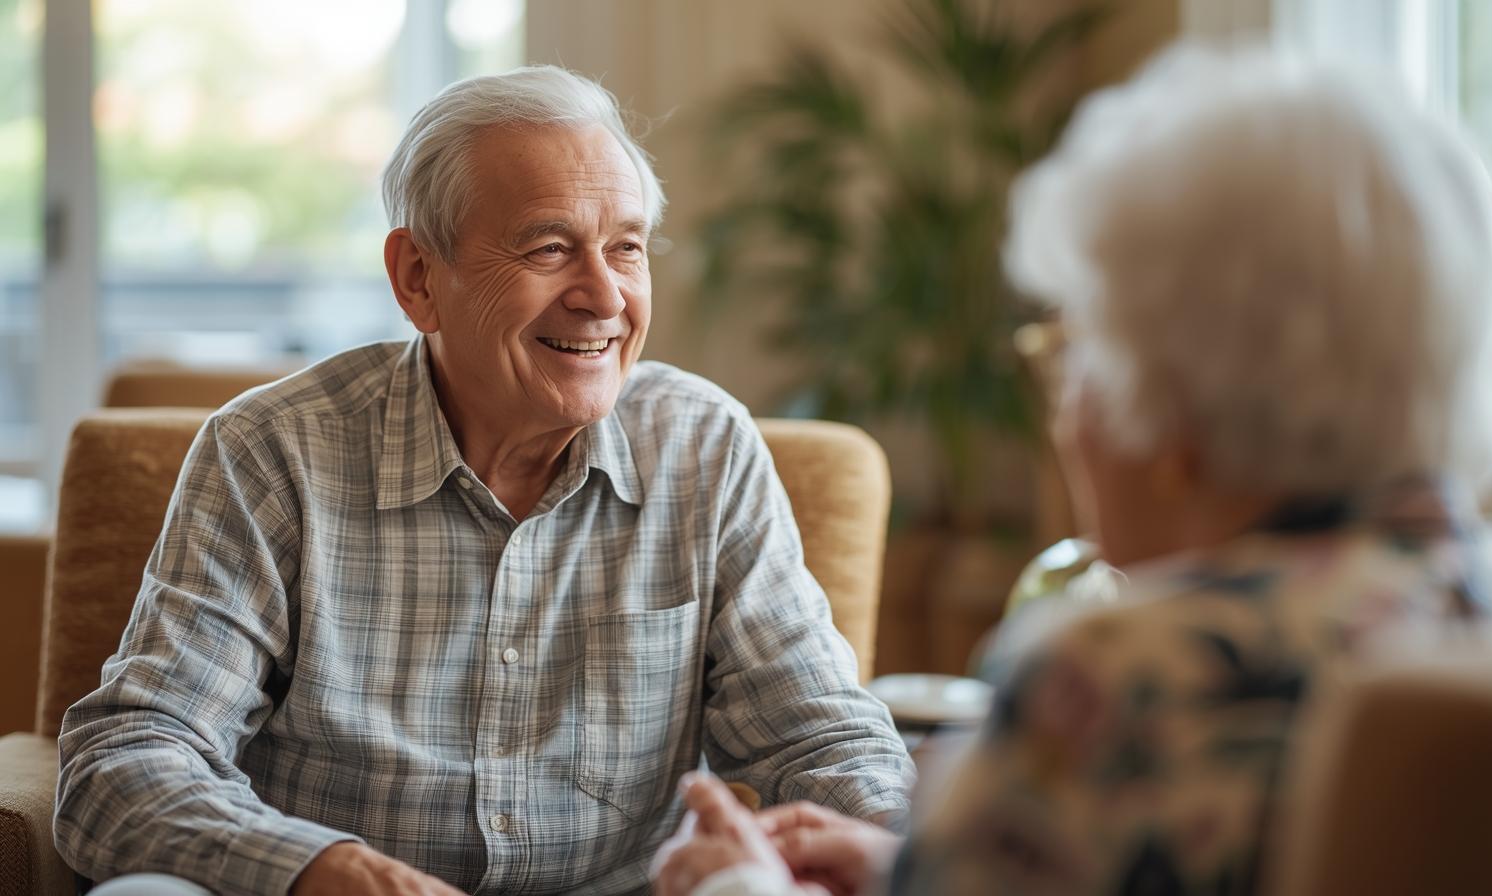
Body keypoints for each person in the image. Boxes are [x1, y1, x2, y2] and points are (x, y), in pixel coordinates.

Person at [649, 43, 1492, 896]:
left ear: (1179, 404)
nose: (1066, 406)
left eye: (1086, 349)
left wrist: (744, 889)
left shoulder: (1110, 682)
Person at [53, 65, 913, 896]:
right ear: (418, 279)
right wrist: (328, 872)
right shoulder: (272, 454)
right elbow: (129, 755)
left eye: (627, 249)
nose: (605, 297)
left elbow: (821, 737)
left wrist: (916, 854)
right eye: (550, 247)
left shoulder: (705, 450)